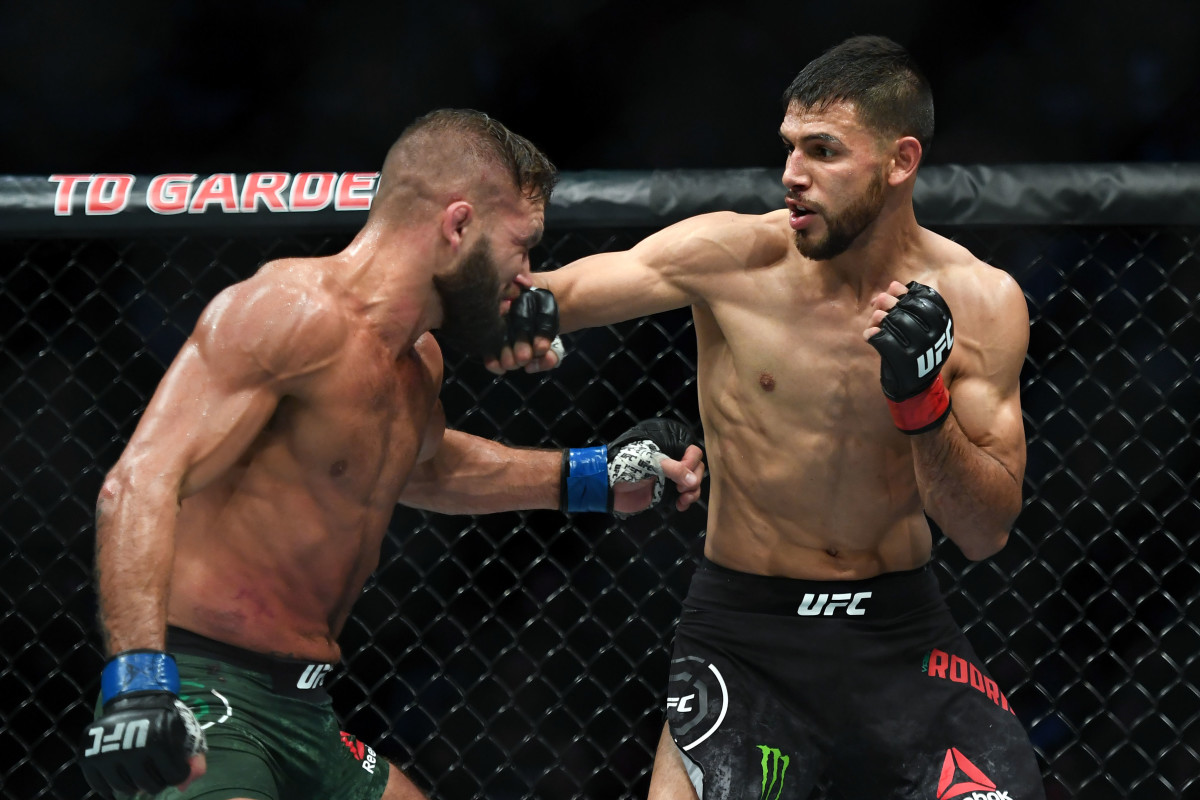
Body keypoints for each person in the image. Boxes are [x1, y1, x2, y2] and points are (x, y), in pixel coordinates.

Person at [78, 108, 706, 800]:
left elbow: (426, 466)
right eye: (522, 248)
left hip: (307, 711)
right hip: (204, 691)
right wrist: (137, 683)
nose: (529, 281)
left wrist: (592, 476)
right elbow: (139, 481)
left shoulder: (419, 363)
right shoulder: (287, 310)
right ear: (458, 226)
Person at [497, 35, 1045, 799]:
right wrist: (514, 317)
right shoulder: (730, 256)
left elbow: (985, 532)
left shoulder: (983, 300)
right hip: (744, 638)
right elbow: (558, 295)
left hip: (899, 638)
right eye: (789, 148)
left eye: (824, 151)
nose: (793, 175)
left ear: (900, 161)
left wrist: (923, 404)